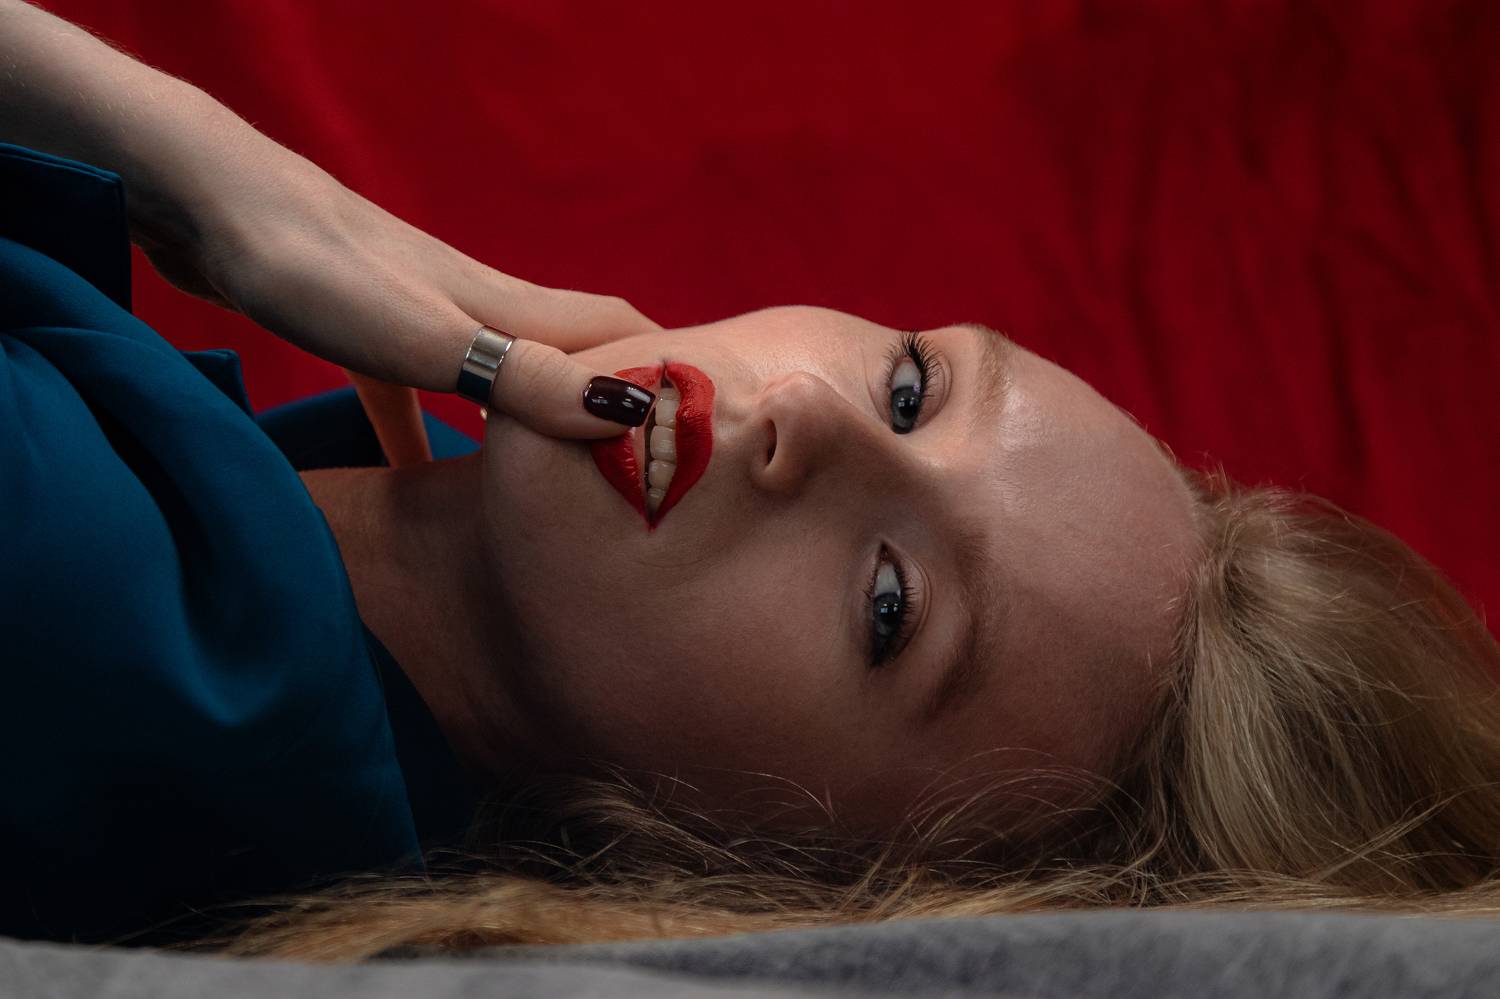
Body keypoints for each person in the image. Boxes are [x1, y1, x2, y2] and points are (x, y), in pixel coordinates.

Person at [5, 0, 1500, 959]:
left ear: (759, 876)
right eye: (912, 389)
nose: (807, 424)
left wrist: (157, 138)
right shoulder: (239, 570)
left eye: (892, 609)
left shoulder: (83, 593)